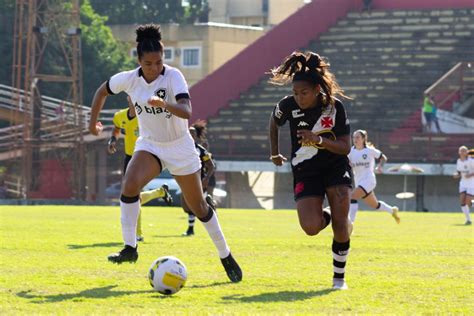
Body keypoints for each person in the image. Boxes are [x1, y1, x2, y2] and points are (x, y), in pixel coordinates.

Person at [88, 23, 242, 283]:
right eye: (149, 64)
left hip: (180, 146)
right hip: (150, 144)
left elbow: (186, 111)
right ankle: (130, 248)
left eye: (159, 62)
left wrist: (164, 104)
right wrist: (92, 123)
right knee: (130, 184)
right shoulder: (128, 79)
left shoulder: (173, 76)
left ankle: (225, 254)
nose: (154, 68)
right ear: (139, 61)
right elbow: (101, 91)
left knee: (198, 206)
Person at [269, 51, 353, 290]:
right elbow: (273, 122)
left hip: (335, 167)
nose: (298, 98)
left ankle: (339, 280)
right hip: (305, 170)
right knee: (311, 228)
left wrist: (317, 140)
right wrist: (275, 152)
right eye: (295, 93)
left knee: (340, 226)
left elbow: (345, 147)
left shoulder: (334, 107)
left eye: (303, 93)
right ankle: (333, 215)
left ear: (317, 89)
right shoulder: (287, 106)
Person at [109, 95, 173, 242]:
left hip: (144, 158)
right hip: (128, 158)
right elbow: (117, 128)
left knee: (133, 197)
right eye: (132, 96)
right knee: (131, 196)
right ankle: (160, 192)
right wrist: (113, 140)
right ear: (128, 99)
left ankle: (137, 234)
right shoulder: (120, 116)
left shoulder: (146, 116)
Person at [348, 130, 400, 224]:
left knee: (352, 196)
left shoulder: (370, 150)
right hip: (359, 182)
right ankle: (392, 210)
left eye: (358, 137)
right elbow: (346, 164)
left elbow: (383, 158)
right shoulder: (350, 152)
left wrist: (380, 166)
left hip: (369, 181)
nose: (355, 139)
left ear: (363, 139)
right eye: (354, 137)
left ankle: (350, 224)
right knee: (375, 205)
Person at [181, 126, 216, 236]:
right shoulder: (180, 149)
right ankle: (208, 201)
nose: (191, 135)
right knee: (186, 206)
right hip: (185, 180)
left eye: (193, 134)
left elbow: (211, 166)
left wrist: (206, 179)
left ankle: (191, 229)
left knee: (196, 205)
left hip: (198, 181)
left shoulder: (200, 150)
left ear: (196, 136)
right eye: (189, 133)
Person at [454, 146, 474, 225]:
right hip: (463, 183)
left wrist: (470, 175)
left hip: (472, 183)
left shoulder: (471, 161)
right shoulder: (458, 161)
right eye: (461, 151)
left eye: (464, 151)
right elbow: (459, 172)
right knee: (462, 201)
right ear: (459, 152)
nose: (462, 152)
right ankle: (468, 220)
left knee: (468, 202)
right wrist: (456, 175)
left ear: (467, 152)